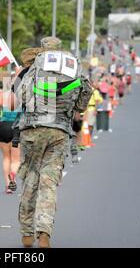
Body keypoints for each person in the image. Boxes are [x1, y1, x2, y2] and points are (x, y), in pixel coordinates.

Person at [13, 37, 93, 248]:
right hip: (59, 131)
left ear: (43, 48)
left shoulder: (38, 64)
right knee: (49, 184)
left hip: (33, 128)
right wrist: (77, 107)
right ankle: (44, 232)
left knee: (31, 179)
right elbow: (86, 90)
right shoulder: (71, 66)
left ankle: (27, 234)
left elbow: (21, 94)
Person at [0, 81, 20, 194]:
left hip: (4, 126)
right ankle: (13, 178)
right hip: (17, 127)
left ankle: (7, 185)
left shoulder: (2, 96)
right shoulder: (23, 95)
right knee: (16, 160)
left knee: (6, 157)